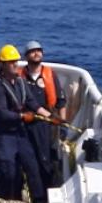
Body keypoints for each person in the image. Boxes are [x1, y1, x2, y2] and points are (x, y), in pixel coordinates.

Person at [0, 43, 52, 203]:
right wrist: (23, 116)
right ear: (2, 65)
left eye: (16, 61)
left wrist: (49, 116)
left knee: (32, 167)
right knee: (8, 170)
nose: (15, 65)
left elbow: (31, 102)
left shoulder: (20, 82)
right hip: (4, 135)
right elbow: (2, 114)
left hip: (20, 132)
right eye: (11, 62)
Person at [20, 40, 67, 188]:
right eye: (33, 51)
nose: (37, 53)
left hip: (47, 124)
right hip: (26, 122)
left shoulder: (50, 75)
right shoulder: (21, 77)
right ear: (26, 56)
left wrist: (62, 124)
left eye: (39, 50)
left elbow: (61, 101)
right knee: (29, 159)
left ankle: (49, 189)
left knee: (47, 159)